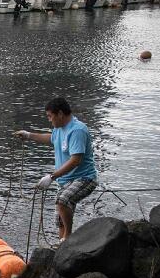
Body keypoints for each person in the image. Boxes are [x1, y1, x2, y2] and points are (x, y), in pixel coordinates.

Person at [14, 97, 98, 240]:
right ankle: (62, 246)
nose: (49, 120)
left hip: (84, 178)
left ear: (60, 114)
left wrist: (51, 177)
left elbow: (75, 160)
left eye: (50, 116)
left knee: (63, 201)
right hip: (64, 181)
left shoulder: (78, 130)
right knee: (59, 220)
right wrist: (29, 136)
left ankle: (68, 237)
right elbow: (50, 139)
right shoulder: (59, 129)